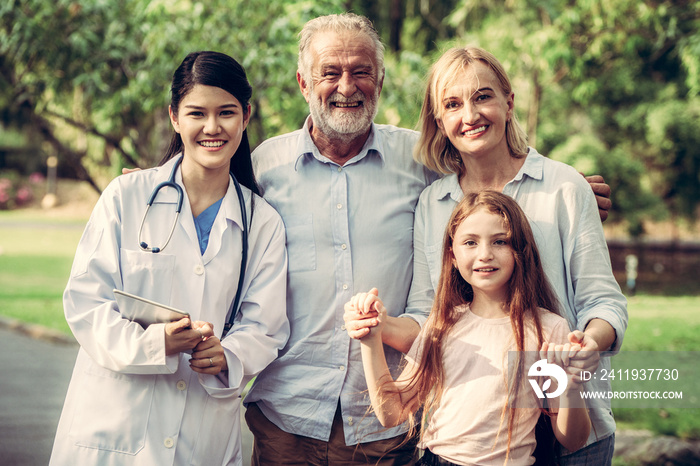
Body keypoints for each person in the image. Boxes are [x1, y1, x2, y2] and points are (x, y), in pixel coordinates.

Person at [243, 13, 613, 465]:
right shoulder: (267, 166)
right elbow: (212, 193)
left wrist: (568, 188)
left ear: (379, 80)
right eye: (330, 73)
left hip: (525, 416)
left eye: (361, 71)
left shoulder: (427, 169)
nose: (346, 86)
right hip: (300, 410)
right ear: (304, 82)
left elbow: (600, 298)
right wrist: (152, 185)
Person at [347, 46, 626, 464]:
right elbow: (429, 315)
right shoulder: (434, 203)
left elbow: (603, 301)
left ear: (509, 102)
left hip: (568, 419)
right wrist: (379, 326)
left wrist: (587, 344)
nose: (470, 115)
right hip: (473, 436)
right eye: (453, 104)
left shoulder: (565, 187)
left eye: (483, 97)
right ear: (439, 120)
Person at [50, 51, 289, 466]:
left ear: (246, 117)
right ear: (175, 117)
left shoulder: (262, 222)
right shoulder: (127, 197)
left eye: (226, 113)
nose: (212, 127)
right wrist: (154, 343)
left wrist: (228, 356)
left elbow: (265, 326)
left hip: (203, 434)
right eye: (197, 113)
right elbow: (86, 303)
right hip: (113, 431)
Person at [346, 191, 592, 465]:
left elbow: (573, 439)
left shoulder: (548, 329)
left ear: (520, 249)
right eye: (470, 242)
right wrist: (370, 338)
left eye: (500, 241)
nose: (485, 254)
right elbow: (392, 412)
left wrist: (572, 386)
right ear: (452, 255)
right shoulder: (442, 324)